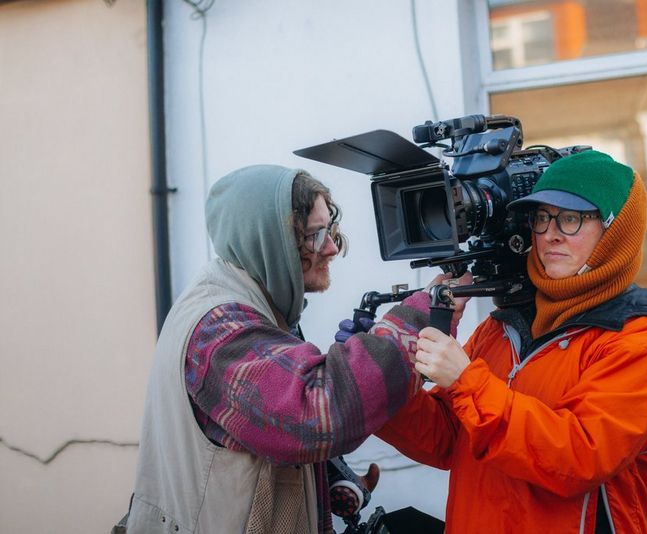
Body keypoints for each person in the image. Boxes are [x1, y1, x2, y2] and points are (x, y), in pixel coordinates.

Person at [120, 165, 464, 534]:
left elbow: (257, 432)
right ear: (269, 242)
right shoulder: (219, 329)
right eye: (315, 236)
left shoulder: (253, 303)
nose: (331, 247)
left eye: (330, 229)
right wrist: (421, 315)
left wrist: (328, 480)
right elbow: (315, 413)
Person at [376, 150, 647, 533]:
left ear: (615, 231)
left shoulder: (640, 342)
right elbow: (447, 439)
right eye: (542, 218)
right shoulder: (504, 326)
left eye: (571, 219)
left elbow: (578, 457)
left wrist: (464, 381)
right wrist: (379, 381)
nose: (551, 233)